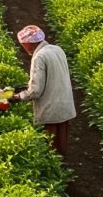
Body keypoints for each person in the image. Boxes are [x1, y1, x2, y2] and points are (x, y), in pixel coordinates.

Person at [8, 25, 76, 154]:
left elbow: (36, 91)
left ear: (29, 43)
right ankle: (61, 171)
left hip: (51, 110)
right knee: (61, 147)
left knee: (50, 149)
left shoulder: (39, 56)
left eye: (23, 44)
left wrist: (19, 96)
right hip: (65, 106)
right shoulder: (57, 49)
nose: (23, 47)